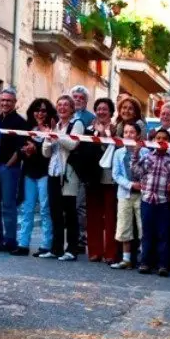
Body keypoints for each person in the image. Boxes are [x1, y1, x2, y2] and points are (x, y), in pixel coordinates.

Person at [131, 129, 170, 275]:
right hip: (147, 199)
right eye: (158, 138)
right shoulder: (147, 157)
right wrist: (135, 153)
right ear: (154, 141)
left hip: (164, 202)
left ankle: (163, 265)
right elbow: (136, 171)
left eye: (164, 139)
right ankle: (145, 263)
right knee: (147, 233)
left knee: (163, 234)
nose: (160, 140)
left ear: (168, 143)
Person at [12, 98, 56, 258]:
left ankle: (46, 245)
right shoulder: (27, 127)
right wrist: (26, 150)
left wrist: (35, 148)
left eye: (44, 110)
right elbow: (19, 147)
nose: (40, 113)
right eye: (37, 110)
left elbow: (51, 152)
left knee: (45, 209)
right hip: (29, 173)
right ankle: (23, 244)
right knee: (27, 209)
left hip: (45, 173)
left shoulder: (52, 128)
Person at [42, 95, 83, 261]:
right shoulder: (56, 125)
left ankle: (72, 249)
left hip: (69, 174)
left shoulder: (77, 124)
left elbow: (73, 144)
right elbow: (45, 152)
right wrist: (49, 137)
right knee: (55, 212)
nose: (62, 107)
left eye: (66, 105)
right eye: (59, 104)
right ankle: (56, 248)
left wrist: (56, 135)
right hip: (53, 172)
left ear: (72, 108)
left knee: (70, 212)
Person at [0, 88, 28, 252]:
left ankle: (10, 240)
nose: (5, 103)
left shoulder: (21, 122)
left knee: (8, 204)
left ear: (15, 103)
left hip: (9, 168)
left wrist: (8, 165)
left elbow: (21, 148)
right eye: (3, 100)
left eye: (9, 100)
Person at [85, 97, 118, 263]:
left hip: (110, 177)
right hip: (93, 176)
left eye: (105, 109)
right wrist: (96, 134)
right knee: (93, 216)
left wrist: (105, 135)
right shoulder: (88, 129)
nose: (101, 112)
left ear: (111, 112)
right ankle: (95, 251)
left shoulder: (117, 129)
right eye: (98, 109)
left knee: (111, 216)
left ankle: (110, 253)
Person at [110, 122, 148, 270]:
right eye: (125, 132)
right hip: (125, 194)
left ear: (138, 135)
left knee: (142, 226)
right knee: (124, 225)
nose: (128, 135)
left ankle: (144, 258)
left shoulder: (145, 152)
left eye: (132, 132)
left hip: (142, 195)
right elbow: (116, 175)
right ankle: (126, 259)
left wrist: (141, 184)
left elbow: (146, 170)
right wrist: (131, 184)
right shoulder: (119, 153)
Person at [72, 85, 96, 255]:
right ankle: (70, 238)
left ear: (86, 101)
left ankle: (81, 238)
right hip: (66, 166)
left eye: (81, 97)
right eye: (75, 96)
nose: (77, 100)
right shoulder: (66, 114)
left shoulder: (91, 118)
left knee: (80, 205)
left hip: (82, 167)